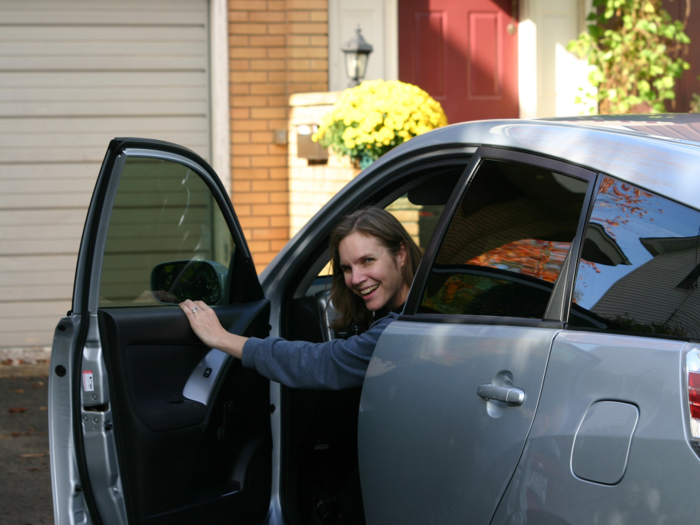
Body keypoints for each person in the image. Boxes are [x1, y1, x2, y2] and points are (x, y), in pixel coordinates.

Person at [179, 207, 422, 390]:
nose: (356, 279)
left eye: (367, 260)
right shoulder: (432, 300)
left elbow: (324, 363)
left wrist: (222, 338)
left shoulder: (404, 328)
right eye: (347, 268)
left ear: (400, 254)